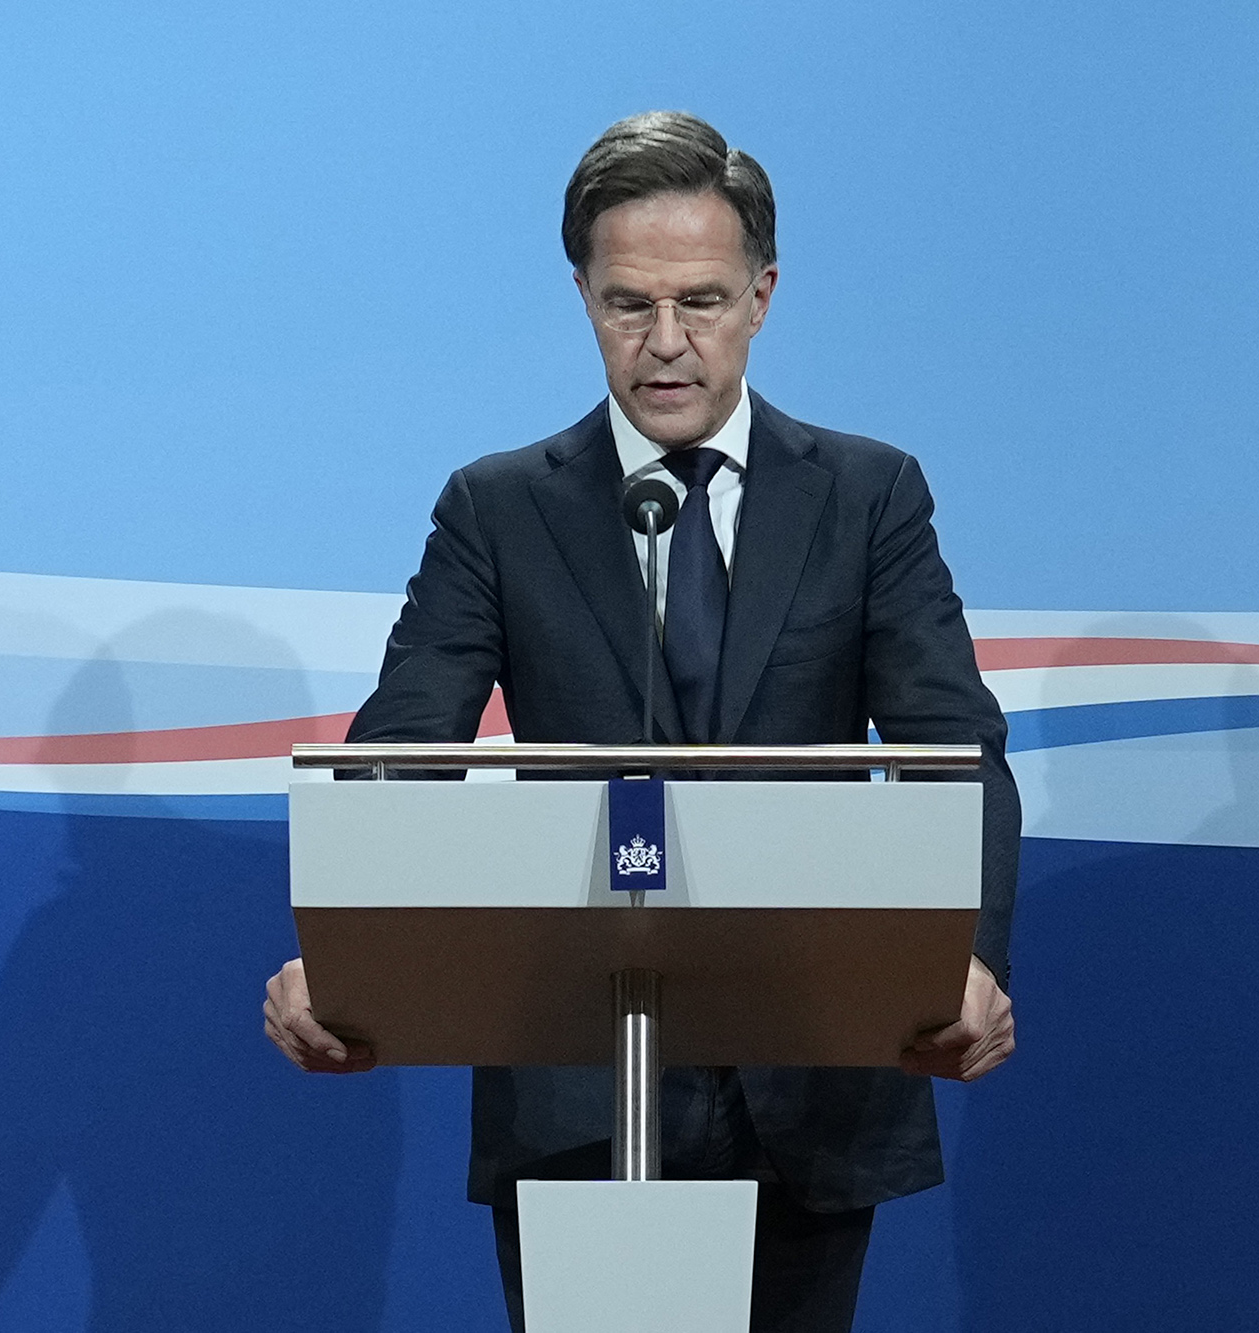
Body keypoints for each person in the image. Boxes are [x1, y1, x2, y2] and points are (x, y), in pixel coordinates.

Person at [263, 110, 1020, 1332]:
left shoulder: (869, 493)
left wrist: (966, 962)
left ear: (762, 296)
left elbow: (953, 749)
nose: (665, 344)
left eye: (701, 302)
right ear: (581, 296)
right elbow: (402, 749)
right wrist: (345, 957)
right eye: (628, 305)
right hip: (574, 1072)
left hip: (811, 1059)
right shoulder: (499, 508)